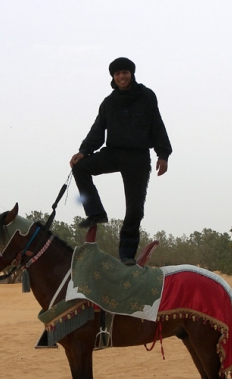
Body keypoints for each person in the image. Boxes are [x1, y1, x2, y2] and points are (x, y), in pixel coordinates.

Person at [70, 57, 172, 266]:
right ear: (113, 78)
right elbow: (98, 130)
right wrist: (83, 150)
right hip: (113, 152)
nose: (121, 77)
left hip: (138, 157)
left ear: (131, 74)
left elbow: (157, 125)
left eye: (125, 72)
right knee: (80, 167)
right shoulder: (109, 102)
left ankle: (126, 255)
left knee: (134, 209)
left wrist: (163, 155)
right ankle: (95, 212)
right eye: (117, 74)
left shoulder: (146, 96)